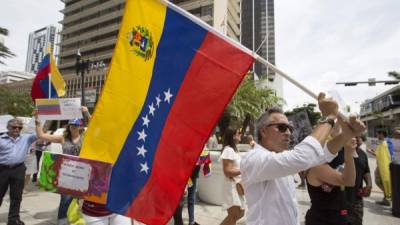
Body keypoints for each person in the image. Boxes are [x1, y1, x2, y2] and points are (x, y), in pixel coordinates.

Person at [240, 92, 366, 225]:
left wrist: (346, 135)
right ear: (263, 131)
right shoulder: (253, 158)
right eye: (282, 127)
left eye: (290, 128)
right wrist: (329, 116)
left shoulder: (280, 158)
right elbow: (304, 156)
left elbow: (320, 155)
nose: (288, 132)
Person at [305, 137, 357, 225]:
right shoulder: (318, 165)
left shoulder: (338, 155)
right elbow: (349, 180)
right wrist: (348, 152)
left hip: (340, 212)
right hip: (325, 218)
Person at [327, 136, 372, 225]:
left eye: (359, 137)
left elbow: (366, 171)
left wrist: (369, 184)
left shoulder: (362, 154)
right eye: (355, 136)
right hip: (338, 201)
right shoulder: (336, 153)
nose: (358, 139)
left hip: (356, 202)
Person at [0, 118, 37, 225]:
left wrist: (43, 119)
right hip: (2, 170)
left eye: (19, 127)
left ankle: (13, 219)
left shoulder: (26, 138)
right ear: (8, 127)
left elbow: (40, 133)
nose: (17, 129)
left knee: (16, 196)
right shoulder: (1, 138)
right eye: (14, 127)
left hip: (18, 169)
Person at [219, 127, 245, 225]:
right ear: (233, 136)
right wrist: (244, 169)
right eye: (238, 133)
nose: (240, 135)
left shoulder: (233, 150)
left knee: (240, 213)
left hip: (235, 186)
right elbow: (227, 171)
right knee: (235, 215)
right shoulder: (228, 150)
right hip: (231, 187)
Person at [367, 130, 392, 206]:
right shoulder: (382, 143)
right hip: (381, 166)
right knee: (380, 181)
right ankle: (386, 197)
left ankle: (387, 197)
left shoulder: (384, 144)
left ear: (381, 134)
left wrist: (369, 151)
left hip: (382, 166)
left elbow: (381, 156)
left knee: (380, 181)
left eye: (377, 134)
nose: (377, 136)